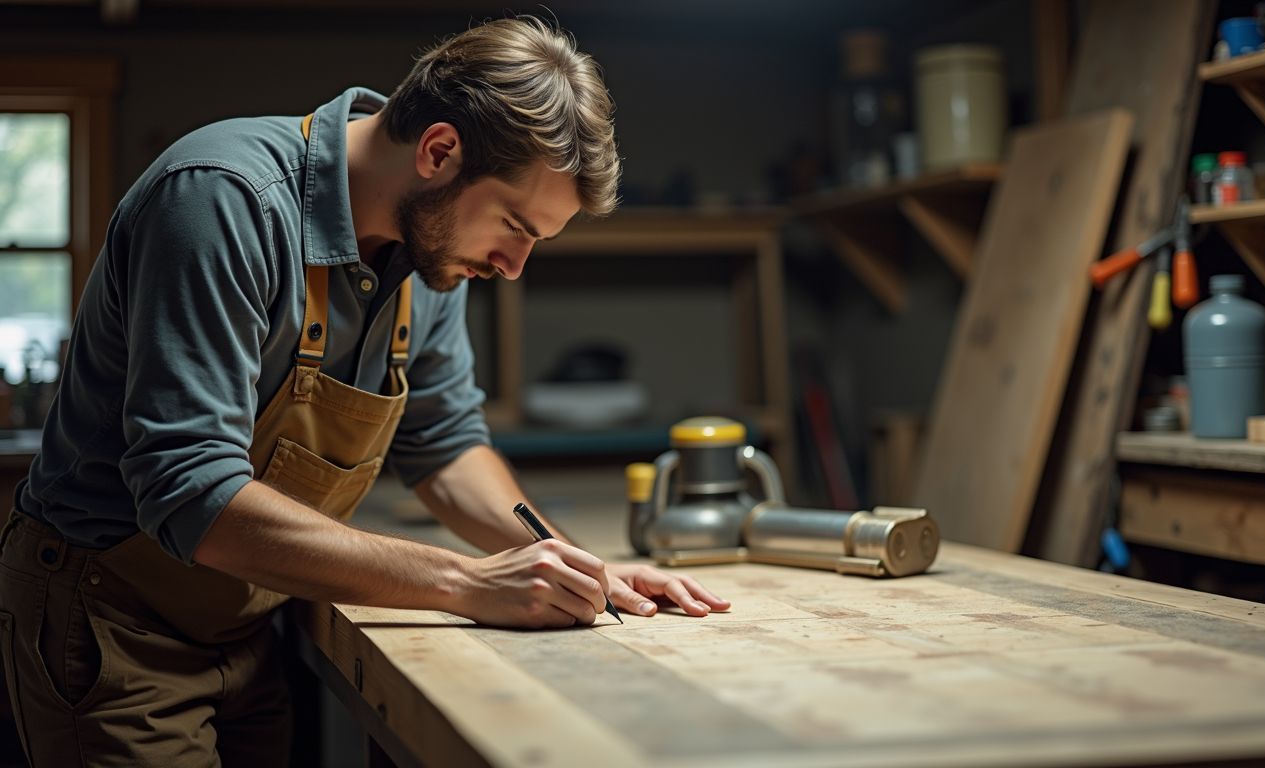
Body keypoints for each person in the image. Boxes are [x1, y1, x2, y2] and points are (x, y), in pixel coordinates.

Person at [0, 16, 729, 767]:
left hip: (248, 618)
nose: (514, 266)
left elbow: (445, 446)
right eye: (513, 225)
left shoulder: (434, 250)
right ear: (439, 151)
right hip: (111, 616)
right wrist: (466, 582)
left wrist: (576, 567)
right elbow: (191, 492)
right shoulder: (224, 201)